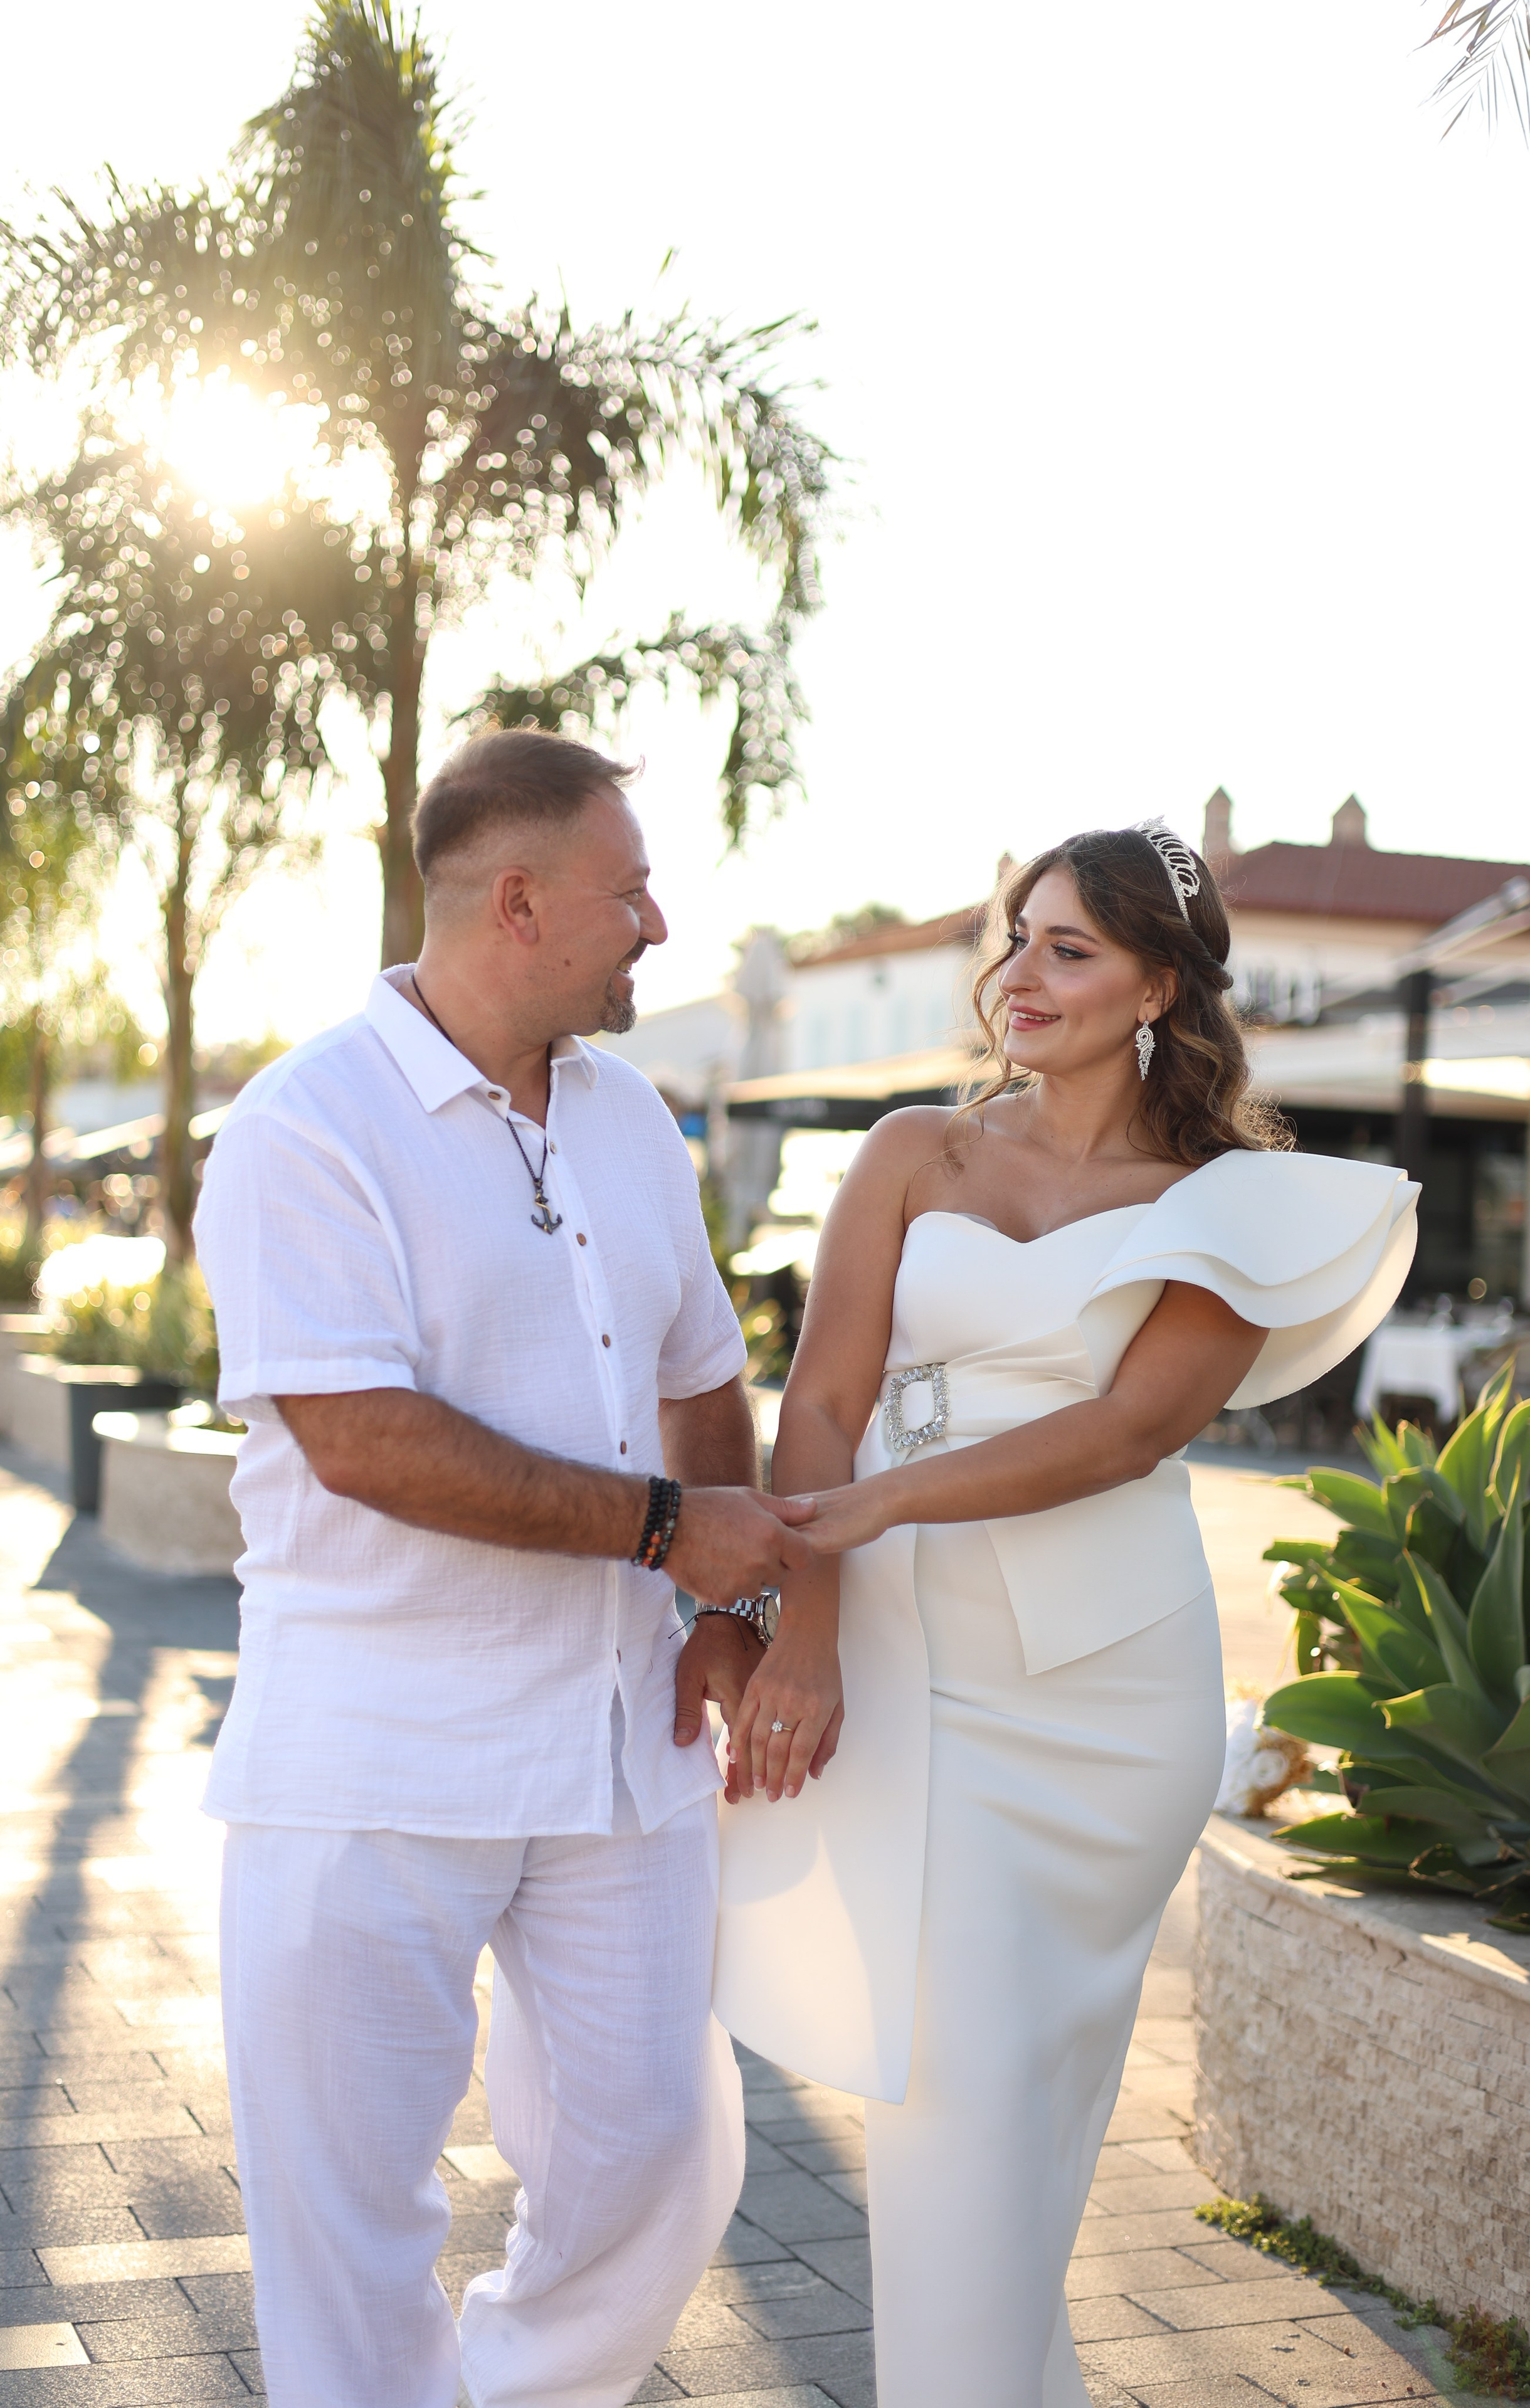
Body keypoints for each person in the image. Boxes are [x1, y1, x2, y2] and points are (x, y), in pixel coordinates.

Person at [705, 823, 1418, 2408]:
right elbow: (817, 1404)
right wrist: (801, 1628)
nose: (1016, 975)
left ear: (1157, 987)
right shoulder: (912, 1153)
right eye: (1014, 937)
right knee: (952, 2104)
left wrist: (888, 1499)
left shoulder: (1232, 1203)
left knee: (1024, 2120)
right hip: (907, 1662)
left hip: (1107, 1701)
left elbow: (1126, 1432)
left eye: (1068, 949)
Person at [194, 728, 808, 2408]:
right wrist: (669, 1532)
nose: (657, 926)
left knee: (660, 2151)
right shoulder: (305, 1125)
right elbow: (363, 1440)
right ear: (519, 903)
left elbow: (701, 1374)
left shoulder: (631, 1116)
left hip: (620, 1740)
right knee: (346, 2217)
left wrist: (727, 1608)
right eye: (631, 892)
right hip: (372, 1754)